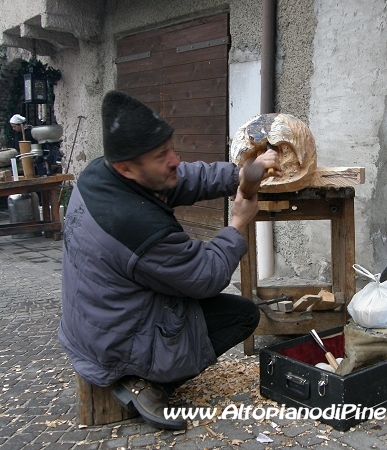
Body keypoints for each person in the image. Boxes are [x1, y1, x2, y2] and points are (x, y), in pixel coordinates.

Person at [58, 90, 282, 430]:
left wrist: (240, 174)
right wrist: (237, 224)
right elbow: (206, 276)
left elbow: (183, 177)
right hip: (114, 342)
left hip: (93, 322)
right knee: (242, 315)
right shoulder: (134, 223)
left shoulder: (101, 174)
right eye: (162, 155)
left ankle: (143, 370)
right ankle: (145, 382)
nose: (174, 159)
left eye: (171, 148)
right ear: (127, 168)